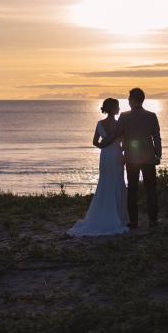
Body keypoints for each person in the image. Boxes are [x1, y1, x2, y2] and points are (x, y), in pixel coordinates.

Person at [66, 98, 130, 237]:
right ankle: (119, 217)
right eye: (117, 107)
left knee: (105, 183)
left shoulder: (100, 124)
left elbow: (95, 141)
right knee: (118, 183)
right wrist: (120, 150)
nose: (119, 109)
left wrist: (104, 147)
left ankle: (103, 214)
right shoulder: (119, 124)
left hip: (105, 155)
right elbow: (124, 144)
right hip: (116, 155)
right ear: (113, 109)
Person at [98, 88, 162, 228]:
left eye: (128, 98)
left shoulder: (125, 116)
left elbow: (115, 133)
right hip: (149, 158)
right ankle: (153, 220)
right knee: (151, 189)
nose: (127, 101)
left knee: (132, 190)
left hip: (131, 159)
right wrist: (158, 155)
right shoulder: (152, 116)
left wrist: (103, 143)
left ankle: (133, 221)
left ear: (133, 100)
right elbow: (156, 137)